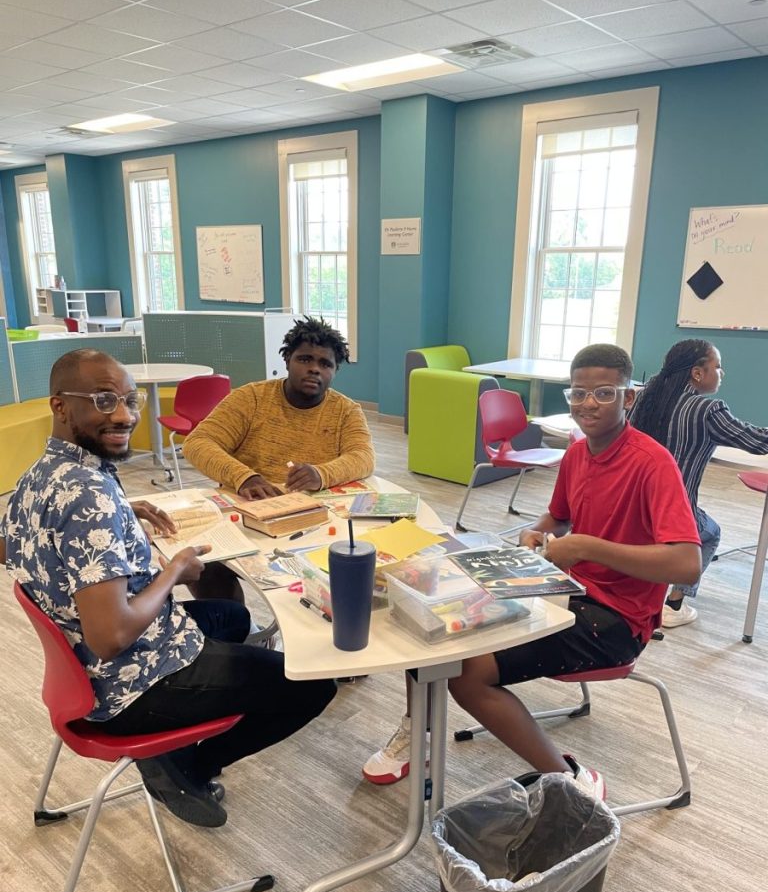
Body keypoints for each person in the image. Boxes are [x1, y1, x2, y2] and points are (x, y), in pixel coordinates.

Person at [0, 350, 336, 829]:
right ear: (60, 406)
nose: (123, 415)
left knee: (233, 618)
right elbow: (110, 636)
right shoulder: (89, 496)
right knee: (311, 686)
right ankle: (189, 766)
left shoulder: (44, 474)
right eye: (103, 400)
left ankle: (183, 722)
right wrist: (174, 570)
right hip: (125, 681)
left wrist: (119, 514)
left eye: (129, 401)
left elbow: (11, 543)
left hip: (83, 663)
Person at [363, 344, 701, 794]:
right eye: (578, 394)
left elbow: (687, 563)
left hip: (617, 619)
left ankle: (570, 776)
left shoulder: (652, 463)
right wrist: (536, 534)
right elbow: (555, 518)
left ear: (629, 397)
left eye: (604, 393)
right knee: (428, 613)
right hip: (561, 589)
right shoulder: (578, 454)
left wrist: (587, 548)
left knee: (467, 675)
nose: (588, 404)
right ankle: (417, 731)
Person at [183, 314, 375, 600]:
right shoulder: (252, 398)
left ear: (334, 372)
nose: (314, 370)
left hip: (313, 521)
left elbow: (363, 457)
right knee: (207, 567)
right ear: (287, 361)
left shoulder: (346, 411)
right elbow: (197, 443)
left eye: (325, 364)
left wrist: (321, 473)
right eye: (304, 359)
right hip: (246, 513)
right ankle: (237, 629)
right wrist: (244, 476)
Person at [630, 339, 768, 628]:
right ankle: (674, 603)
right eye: (717, 367)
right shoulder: (707, 410)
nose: (722, 372)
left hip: (631, 505)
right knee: (709, 533)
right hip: (673, 513)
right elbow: (757, 441)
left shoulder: (645, 399)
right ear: (697, 373)